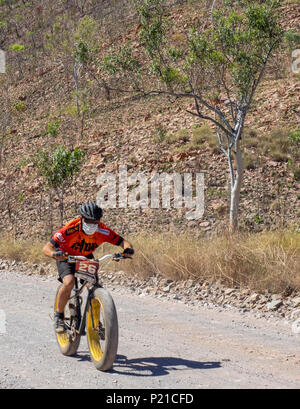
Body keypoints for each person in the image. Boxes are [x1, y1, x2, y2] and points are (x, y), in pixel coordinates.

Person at [42, 201, 134, 333]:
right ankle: (59, 316)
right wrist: (54, 254)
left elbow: (123, 242)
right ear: (82, 218)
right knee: (68, 282)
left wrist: (128, 249)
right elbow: (47, 248)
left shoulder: (103, 230)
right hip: (66, 256)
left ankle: (96, 321)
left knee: (93, 285)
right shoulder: (70, 229)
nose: (92, 224)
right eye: (88, 221)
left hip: (85, 257)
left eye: (95, 222)